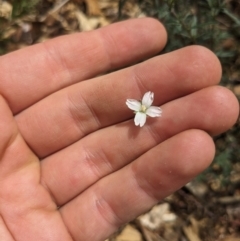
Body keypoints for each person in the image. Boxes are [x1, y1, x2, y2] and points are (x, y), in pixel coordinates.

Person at [0, 18, 238, 241]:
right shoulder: (139, 110)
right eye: (142, 108)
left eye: (144, 108)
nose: (143, 109)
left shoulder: (147, 109)